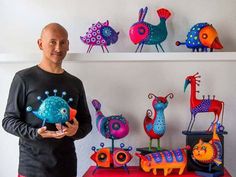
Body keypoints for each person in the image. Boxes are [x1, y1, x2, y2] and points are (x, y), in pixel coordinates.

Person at [2, 23, 92, 177]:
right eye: (52, 42)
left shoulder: (75, 83)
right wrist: (35, 133)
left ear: (68, 45)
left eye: (63, 42)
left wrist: (76, 131)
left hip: (66, 168)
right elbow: (8, 121)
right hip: (31, 169)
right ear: (40, 44)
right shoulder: (23, 78)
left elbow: (86, 123)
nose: (58, 48)